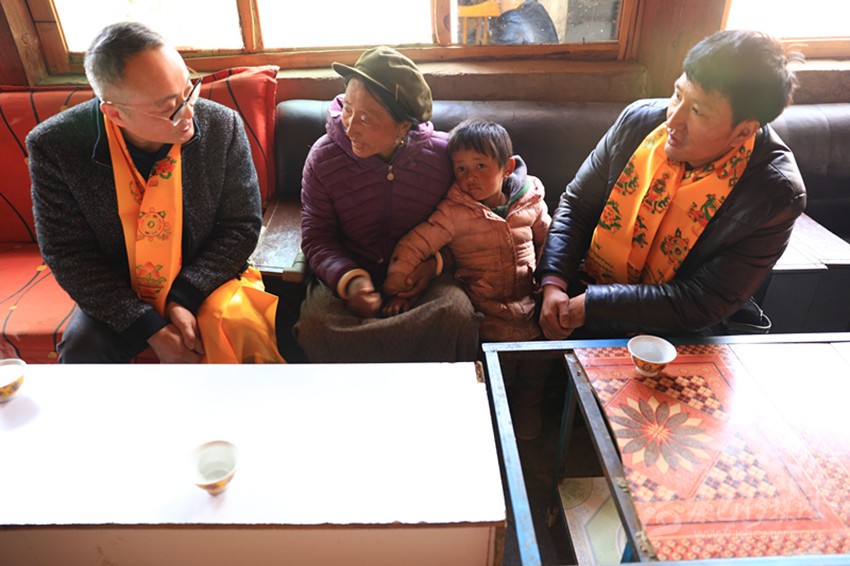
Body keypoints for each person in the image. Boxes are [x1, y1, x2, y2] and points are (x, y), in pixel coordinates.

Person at [28, 22, 284, 364]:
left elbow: (241, 226)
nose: (190, 112)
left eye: (189, 90)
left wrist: (184, 297)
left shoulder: (222, 126)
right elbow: (68, 254)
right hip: (121, 287)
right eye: (168, 107)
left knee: (236, 325)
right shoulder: (55, 146)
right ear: (115, 113)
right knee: (83, 350)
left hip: (207, 277)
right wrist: (148, 327)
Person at [538, 29, 806, 340]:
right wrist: (553, 282)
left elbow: (703, 300)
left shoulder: (776, 194)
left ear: (743, 132)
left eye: (698, 111)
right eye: (678, 95)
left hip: (675, 331)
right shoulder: (638, 123)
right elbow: (578, 205)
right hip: (585, 289)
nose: (673, 121)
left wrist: (594, 306)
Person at [294, 46, 481, 363]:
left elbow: (471, 223)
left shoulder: (443, 156)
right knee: (317, 326)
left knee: (456, 315)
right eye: (348, 109)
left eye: (366, 118)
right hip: (346, 281)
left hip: (422, 283)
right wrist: (350, 279)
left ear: (403, 126)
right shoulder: (323, 158)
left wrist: (433, 265)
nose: (350, 126)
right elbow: (317, 236)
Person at [382, 119, 552, 438]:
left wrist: (551, 282)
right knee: (494, 371)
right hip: (485, 310)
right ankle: (494, 419)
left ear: (507, 168)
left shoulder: (530, 200)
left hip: (531, 304)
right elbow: (418, 242)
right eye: (460, 169)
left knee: (538, 364)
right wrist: (397, 285)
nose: (469, 176)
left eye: (480, 166)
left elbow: (549, 241)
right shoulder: (453, 211)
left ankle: (528, 407)